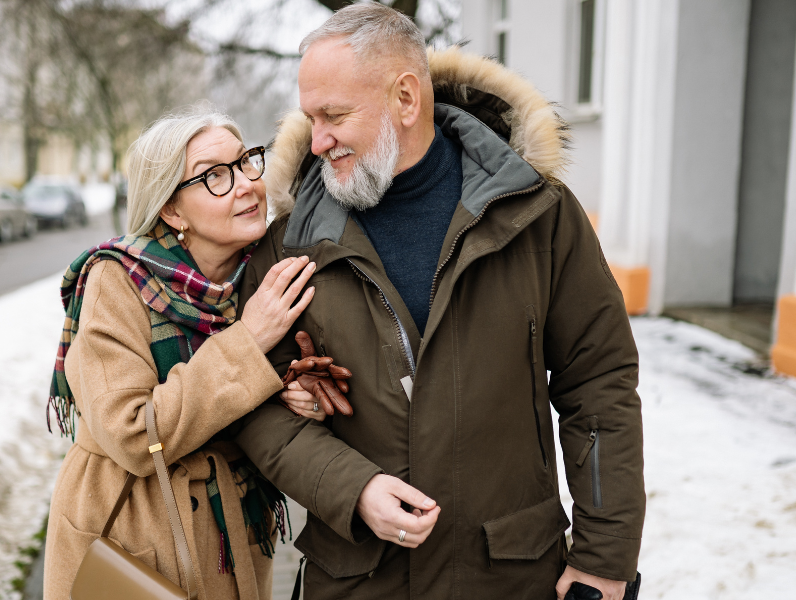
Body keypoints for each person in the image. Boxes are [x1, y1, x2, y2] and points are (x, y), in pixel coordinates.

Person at [235, 4, 645, 600]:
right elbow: (253, 404)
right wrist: (352, 488)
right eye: (310, 118)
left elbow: (599, 384)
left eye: (335, 115)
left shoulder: (538, 216)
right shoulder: (291, 243)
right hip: (357, 582)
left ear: (406, 98)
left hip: (508, 578)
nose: (317, 140)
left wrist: (604, 560)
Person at [42, 107, 334, 600]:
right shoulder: (116, 281)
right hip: (132, 533)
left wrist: (293, 392)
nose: (246, 184)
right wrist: (249, 342)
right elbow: (134, 434)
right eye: (215, 176)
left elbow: (241, 396)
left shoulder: (260, 274)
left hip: (233, 532)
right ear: (172, 211)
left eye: (246, 163)